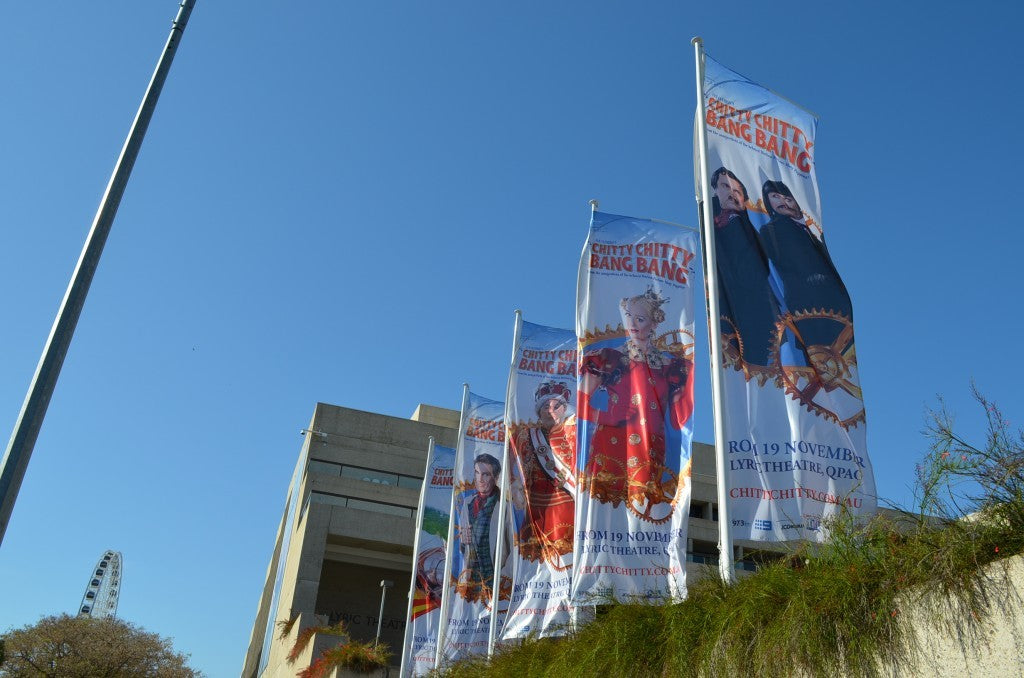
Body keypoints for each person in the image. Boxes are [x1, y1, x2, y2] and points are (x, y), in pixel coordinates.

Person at [578, 287, 694, 522]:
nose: (632, 323)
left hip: (651, 447)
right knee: (606, 510)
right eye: (629, 316)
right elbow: (581, 400)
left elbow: (676, 419)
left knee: (642, 511)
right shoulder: (609, 358)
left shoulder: (670, 367)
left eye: (640, 319)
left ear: (654, 323)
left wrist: (686, 387)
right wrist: (609, 416)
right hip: (611, 443)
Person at [759, 179, 853, 352]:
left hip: (832, 300)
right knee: (815, 353)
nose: (782, 202)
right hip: (804, 302)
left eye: (787, 198)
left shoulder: (811, 230)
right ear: (768, 202)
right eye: (775, 197)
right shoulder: (772, 230)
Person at [710, 167, 778, 368]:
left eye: (737, 191)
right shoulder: (711, 223)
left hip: (753, 306)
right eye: (725, 186)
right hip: (724, 305)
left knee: (754, 368)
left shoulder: (756, 228)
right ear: (715, 190)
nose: (731, 193)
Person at [510, 380, 576, 569]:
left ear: (565, 409)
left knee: (567, 549)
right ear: (539, 411)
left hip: (566, 499)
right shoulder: (525, 435)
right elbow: (512, 465)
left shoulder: (573, 431)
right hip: (536, 503)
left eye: (557, 406)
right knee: (533, 558)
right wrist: (515, 485)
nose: (551, 411)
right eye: (546, 406)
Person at [455, 453, 502, 599]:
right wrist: (463, 541)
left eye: (486, 474)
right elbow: (463, 550)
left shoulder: (503, 507)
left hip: (493, 582)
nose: (480, 479)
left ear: (495, 477)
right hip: (470, 581)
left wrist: (504, 579)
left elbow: (511, 551)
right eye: (477, 473)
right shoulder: (467, 503)